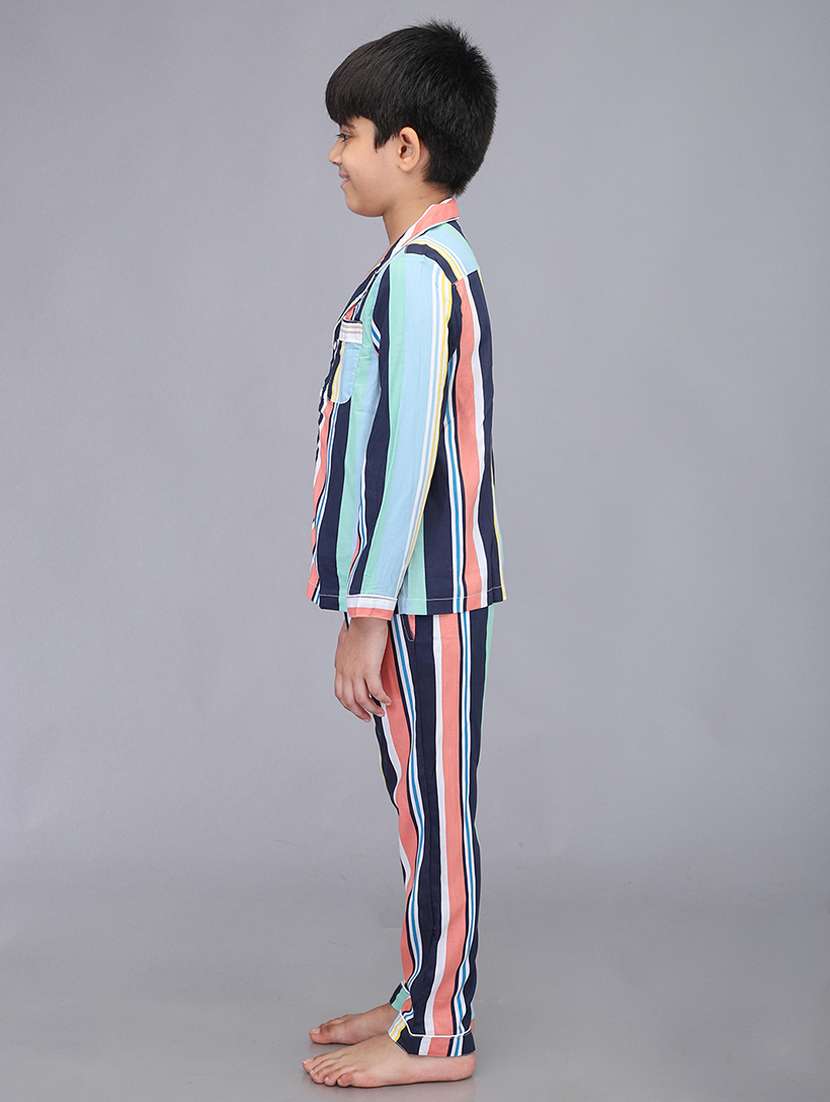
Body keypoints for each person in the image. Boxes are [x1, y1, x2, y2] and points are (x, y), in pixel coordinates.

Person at [302, 18, 507, 1089]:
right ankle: (418, 993)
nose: (336, 154)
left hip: (424, 598)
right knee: (418, 808)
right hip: (413, 597)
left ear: (407, 147)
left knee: (435, 809)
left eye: (350, 132)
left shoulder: (422, 274)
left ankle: (438, 1035)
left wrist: (367, 614)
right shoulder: (413, 267)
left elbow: (413, 454)